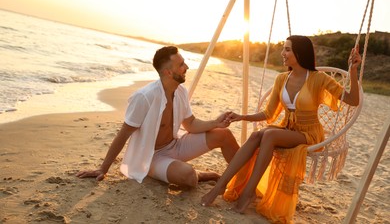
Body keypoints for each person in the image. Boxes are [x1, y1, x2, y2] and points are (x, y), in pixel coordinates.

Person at [201, 35, 361, 223]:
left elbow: (353, 100)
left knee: (269, 134)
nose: (283, 53)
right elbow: (268, 114)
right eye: (283, 49)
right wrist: (242, 117)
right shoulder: (281, 78)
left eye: (287, 49)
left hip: (308, 134)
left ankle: (249, 192)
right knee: (257, 135)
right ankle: (221, 185)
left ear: (300, 53)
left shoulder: (318, 78)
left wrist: (352, 70)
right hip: (286, 129)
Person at [76, 46, 240, 188]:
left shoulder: (181, 91)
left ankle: (244, 182)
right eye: (181, 64)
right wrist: (103, 169)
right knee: (189, 177)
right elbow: (123, 134)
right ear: (168, 72)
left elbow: (190, 124)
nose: (187, 67)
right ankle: (202, 175)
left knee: (224, 135)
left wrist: (216, 123)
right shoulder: (144, 97)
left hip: (176, 145)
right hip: (153, 156)